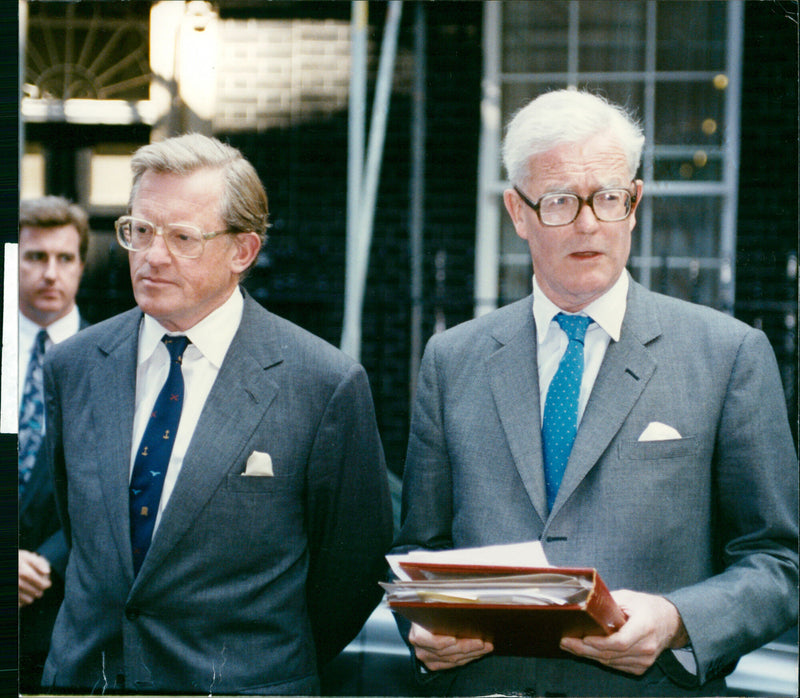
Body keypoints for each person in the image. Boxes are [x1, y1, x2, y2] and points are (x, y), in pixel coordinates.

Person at [391, 90, 798, 696]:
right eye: (559, 201)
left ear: (634, 205)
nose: (588, 223)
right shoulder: (453, 361)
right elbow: (419, 550)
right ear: (518, 212)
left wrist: (678, 622)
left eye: (608, 198)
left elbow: (778, 562)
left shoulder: (727, 355)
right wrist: (424, 631)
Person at [40, 133, 393, 695]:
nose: (153, 256)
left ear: (242, 252)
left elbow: (352, 571)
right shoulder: (74, 366)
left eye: (182, 237)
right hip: (89, 680)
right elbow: (83, 529)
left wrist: (261, 668)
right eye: (140, 230)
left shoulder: (321, 383)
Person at [18, 195, 89, 691]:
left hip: (65, 622)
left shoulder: (118, 361)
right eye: (35, 257)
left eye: (64, 258)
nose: (51, 273)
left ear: (82, 265)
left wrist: (47, 560)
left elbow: (120, 486)